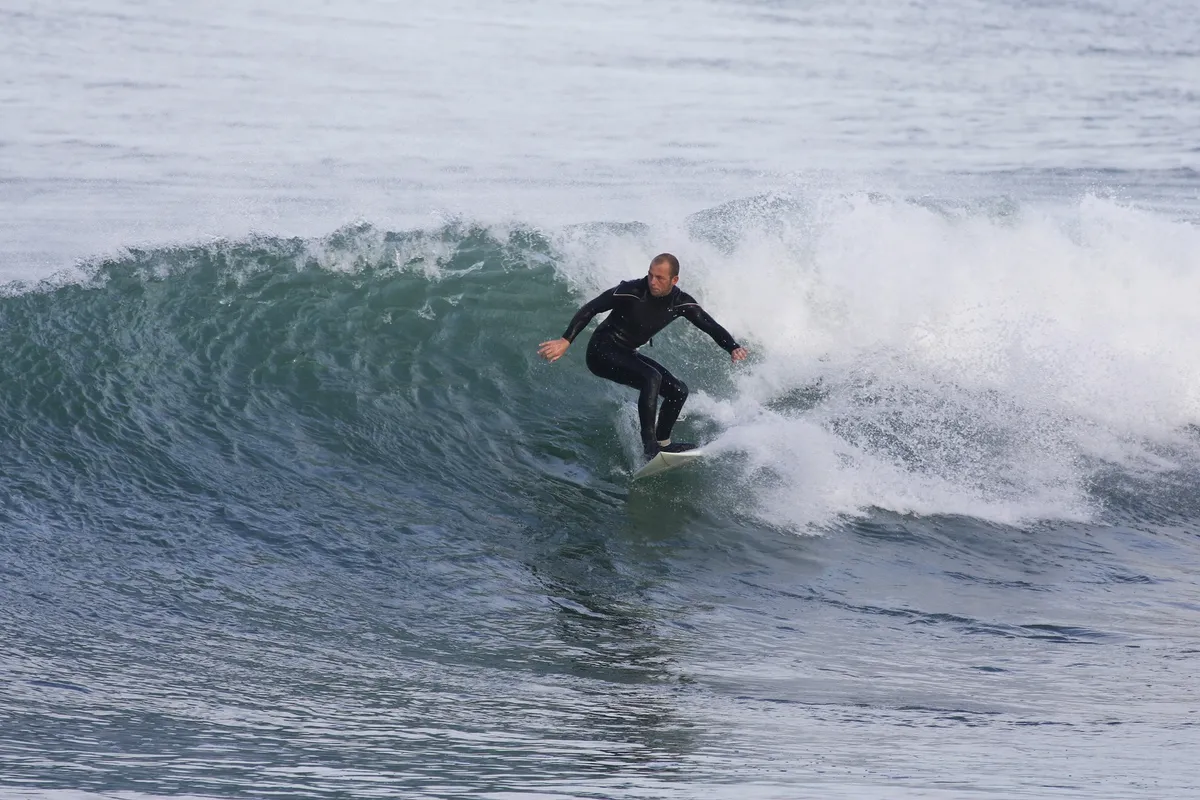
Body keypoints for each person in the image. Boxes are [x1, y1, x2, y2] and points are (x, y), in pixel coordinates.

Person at [538, 253, 748, 460]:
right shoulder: (631, 290)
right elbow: (591, 308)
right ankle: (650, 447)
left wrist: (732, 347)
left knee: (678, 391)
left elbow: (708, 324)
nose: (652, 282)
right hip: (601, 351)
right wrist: (566, 340)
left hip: (626, 353)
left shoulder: (680, 302)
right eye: (650, 275)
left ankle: (664, 443)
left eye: (659, 278)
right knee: (651, 377)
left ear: (674, 280)